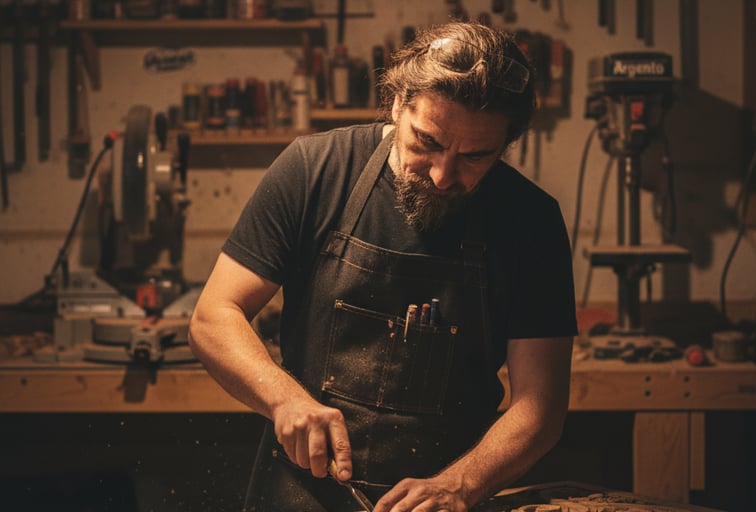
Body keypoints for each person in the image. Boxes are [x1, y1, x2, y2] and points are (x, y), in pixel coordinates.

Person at [188, 21, 577, 512]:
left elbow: (540, 408)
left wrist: (459, 486)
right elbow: (213, 316)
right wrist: (284, 399)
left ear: (508, 143)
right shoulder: (314, 169)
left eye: (476, 156)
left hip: (448, 494)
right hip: (303, 491)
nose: (442, 175)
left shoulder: (530, 221)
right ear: (397, 103)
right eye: (427, 142)